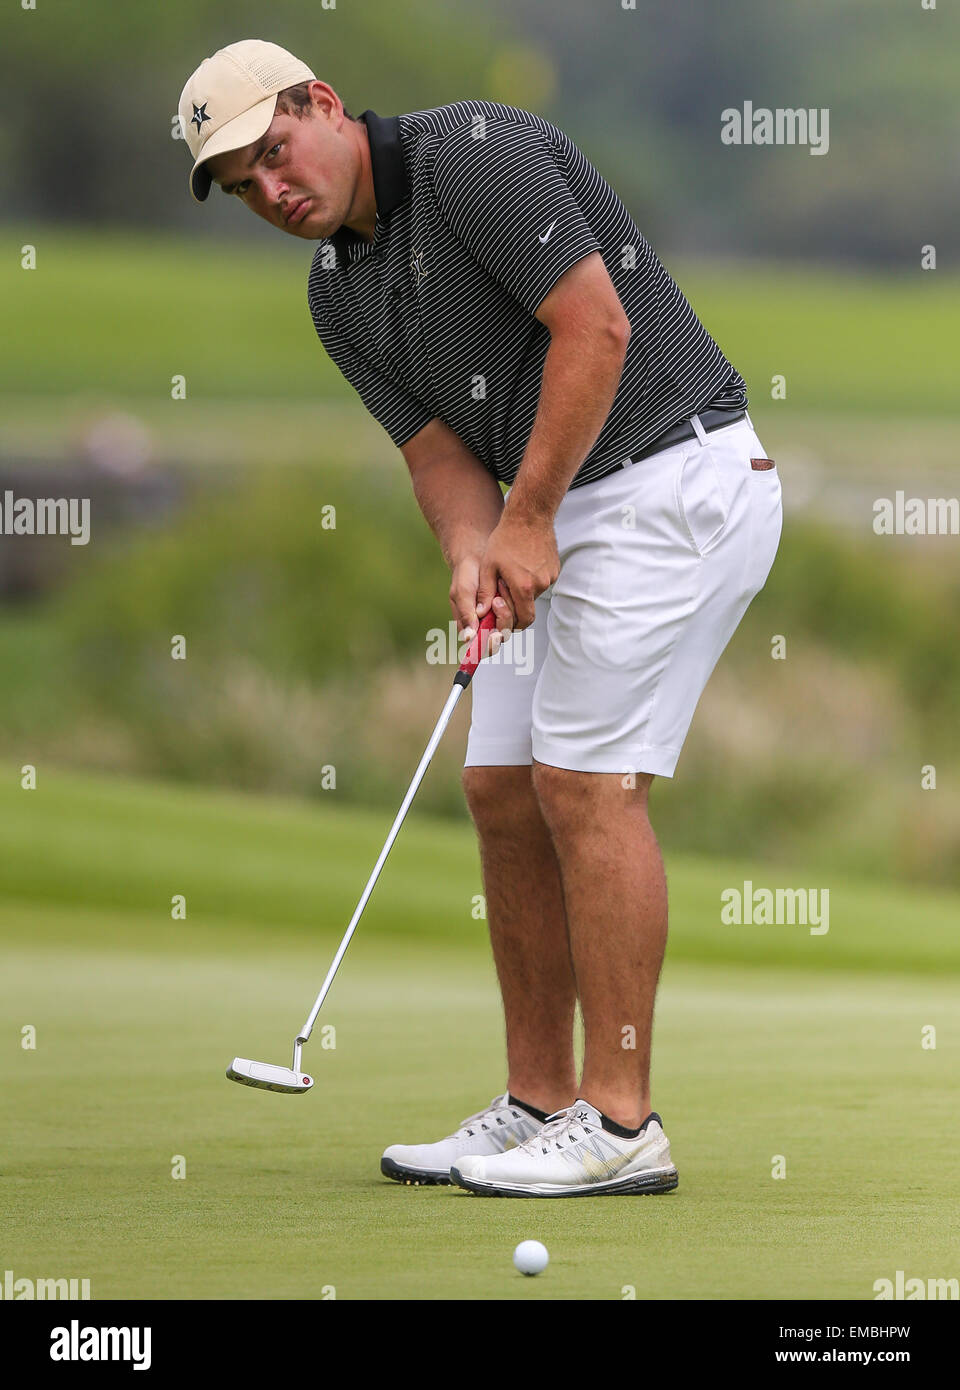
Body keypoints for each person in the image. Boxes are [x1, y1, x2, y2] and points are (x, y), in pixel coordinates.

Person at [178, 39, 782, 1198]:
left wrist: (531, 517)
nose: (272, 190)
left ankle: (621, 1123)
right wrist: (472, 548)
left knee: (584, 784)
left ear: (322, 104)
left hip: (672, 478)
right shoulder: (335, 294)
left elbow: (594, 329)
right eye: (245, 185)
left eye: (273, 152)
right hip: (560, 507)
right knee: (500, 784)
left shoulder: (475, 154)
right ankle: (538, 1100)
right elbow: (438, 456)